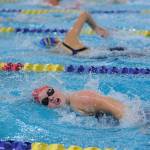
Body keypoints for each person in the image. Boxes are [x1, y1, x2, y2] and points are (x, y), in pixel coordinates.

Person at [32, 85, 125, 122]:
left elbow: (116, 109)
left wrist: (136, 124)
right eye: (45, 101)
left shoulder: (78, 100)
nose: (51, 98)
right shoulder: (71, 104)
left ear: (56, 89)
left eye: (50, 92)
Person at [40, 12, 113, 57]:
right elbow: (85, 14)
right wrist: (96, 28)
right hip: (110, 52)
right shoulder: (69, 40)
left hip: (96, 57)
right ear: (56, 40)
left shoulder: (62, 54)